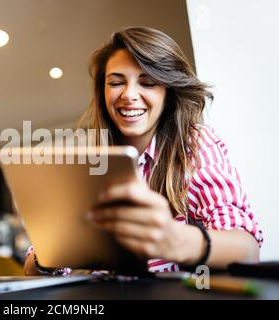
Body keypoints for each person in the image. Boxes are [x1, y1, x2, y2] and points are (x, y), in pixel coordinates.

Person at [24, 26, 263, 275]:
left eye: (147, 82)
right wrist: (55, 250)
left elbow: (247, 249)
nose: (129, 95)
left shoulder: (194, 145)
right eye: (116, 82)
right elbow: (31, 269)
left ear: (168, 92)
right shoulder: (88, 160)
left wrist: (175, 239)